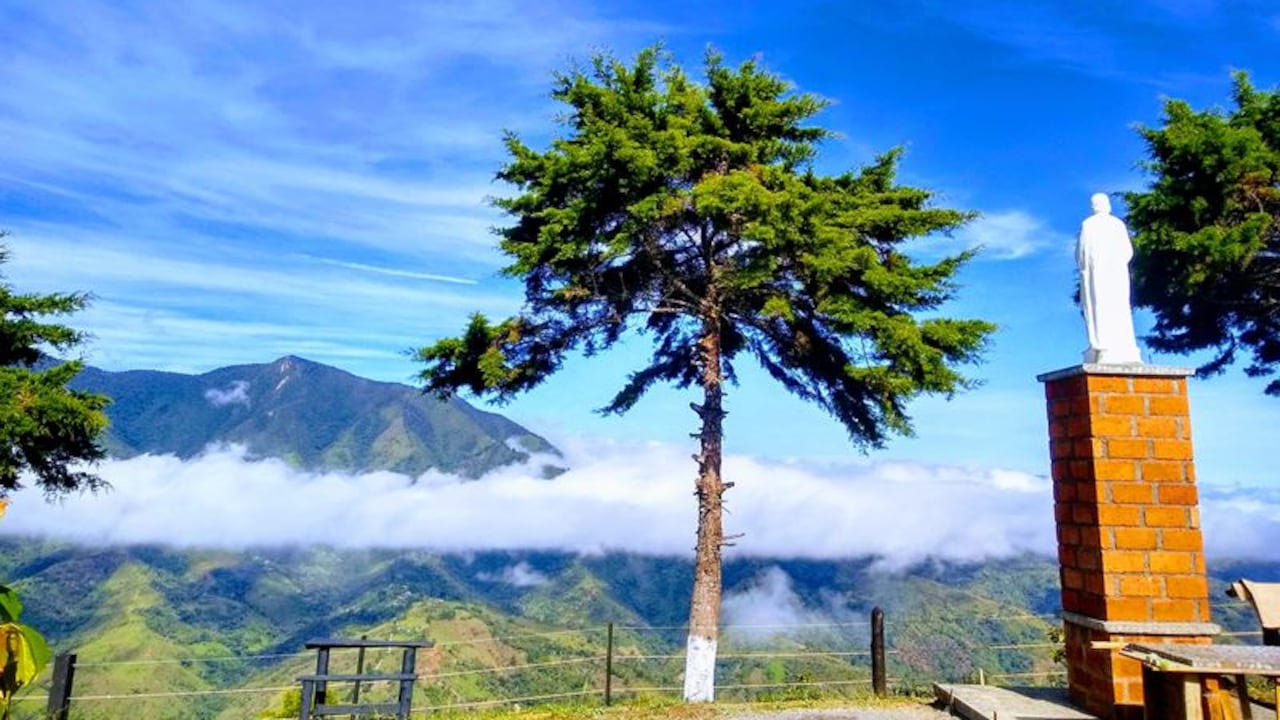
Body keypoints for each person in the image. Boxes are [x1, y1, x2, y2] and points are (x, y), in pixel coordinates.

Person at [1077, 193, 1142, 364]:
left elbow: (1080, 255)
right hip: (1113, 274)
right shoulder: (1116, 224)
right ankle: (1107, 347)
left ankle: (1104, 345)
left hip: (1100, 275)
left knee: (1101, 306)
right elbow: (1128, 252)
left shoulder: (1090, 224)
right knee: (1114, 307)